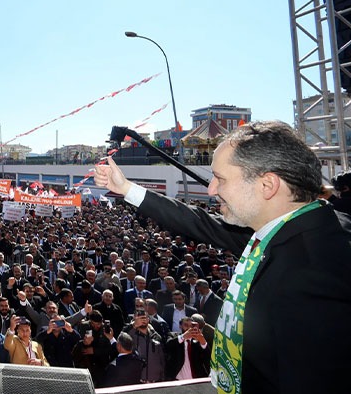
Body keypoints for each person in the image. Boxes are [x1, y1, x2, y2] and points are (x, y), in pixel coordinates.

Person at [95, 120, 351, 393]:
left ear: (267, 185)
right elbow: (199, 222)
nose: (211, 189)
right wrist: (126, 189)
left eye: (221, 178)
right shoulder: (280, 229)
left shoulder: (317, 268)